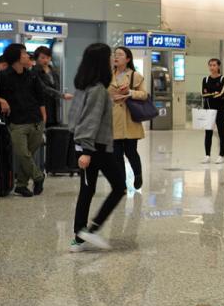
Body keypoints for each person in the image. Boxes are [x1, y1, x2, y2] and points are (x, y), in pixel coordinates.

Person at [67, 43, 126, 252]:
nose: (113, 59)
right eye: (110, 56)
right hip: (95, 147)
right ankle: (90, 230)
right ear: (101, 61)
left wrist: (80, 147)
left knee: (87, 189)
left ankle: (79, 237)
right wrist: (87, 151)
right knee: (119, 187)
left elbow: (74, 119)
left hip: (84, 145)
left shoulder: (84, 87)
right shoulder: (98, 89)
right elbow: (89, 121)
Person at [0, 44, 46, 196]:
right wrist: (1, 100)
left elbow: (40, 97)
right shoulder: (3, 76)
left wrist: (44, 118)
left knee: (28, 154)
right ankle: (38, 177)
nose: (27, 56)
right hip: (17, 123)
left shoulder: (32, 75)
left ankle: (21, 185)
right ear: (16, 58)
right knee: (23, 154)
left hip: (36, 121)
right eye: (24, 53)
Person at [108, 47, 147, 190]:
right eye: (115, 54)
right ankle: (121, 184)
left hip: (130, 118)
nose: (116, 57)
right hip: (113, 119)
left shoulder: (134, 75)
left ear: (128, 59)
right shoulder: (108, 76)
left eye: (120, 55)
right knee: (116, 154)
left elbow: (144, 95)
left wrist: (129, 92)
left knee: (130, 152)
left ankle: (138, 175)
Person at [32, 46, 72, 126]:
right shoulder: (34, 72)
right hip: (42, 106)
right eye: (42, 58)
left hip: (55, 108)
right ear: (36, 58)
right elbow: (43, 88)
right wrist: (62, 95)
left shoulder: (54, 71)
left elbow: (58, 86)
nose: (45, 60)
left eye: (48, 57)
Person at [201, 58, 224, 164]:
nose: (212, 67)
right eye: (210, 65)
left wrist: (211, 94)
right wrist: (214, 94)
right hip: (208, 110)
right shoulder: (205, 80)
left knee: (222, 132)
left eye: (214, 65)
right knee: (208, 133)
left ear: (218, 67)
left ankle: (221, 155)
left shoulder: (223, 79)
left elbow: (221, 93)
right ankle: (207, 155)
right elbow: (203, 94)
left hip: (220, 110)